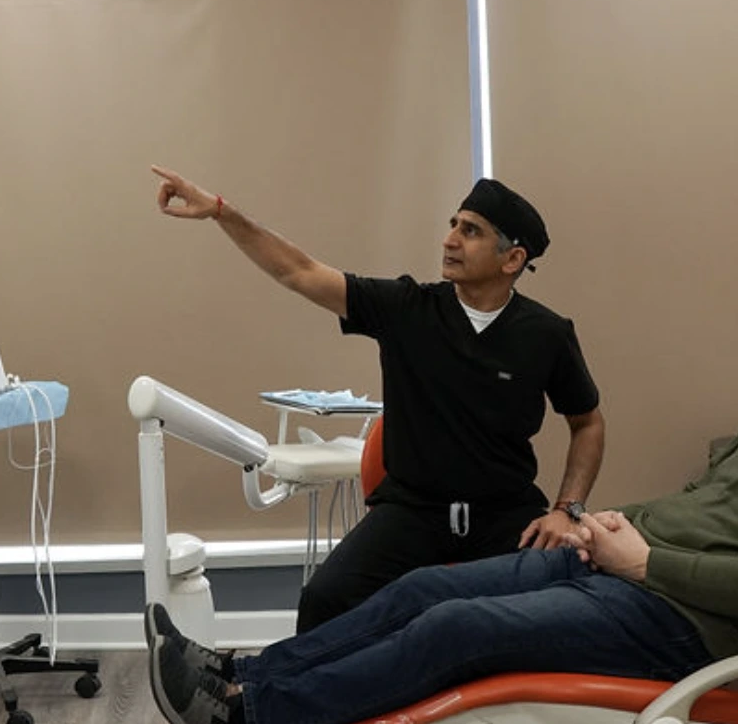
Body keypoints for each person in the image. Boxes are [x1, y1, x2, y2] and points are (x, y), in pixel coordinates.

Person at [144, 269, 738, 724]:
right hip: (620, 571)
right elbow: (696, 509)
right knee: (424, 588)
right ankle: (240, 678)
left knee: (456, 631)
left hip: (683, 625)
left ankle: (243, 721)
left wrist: (645, 563)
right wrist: (594, 522)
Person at [150, 165, 606, 629]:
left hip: (504, 515)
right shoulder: (406, 308)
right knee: (325, 598)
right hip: (413, 514)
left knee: (563, 603)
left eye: (471, 231)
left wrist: (567, 510)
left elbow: (587, 422)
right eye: (453, 224)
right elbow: (298, 271)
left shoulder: (547, 334)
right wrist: (221, 213)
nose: (449, 239)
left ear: (512, 259)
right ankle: (274, 678)